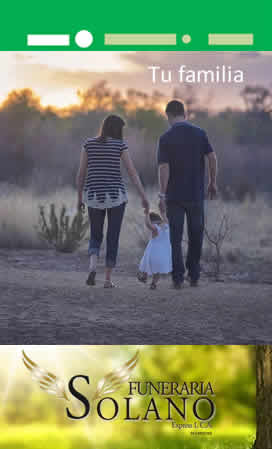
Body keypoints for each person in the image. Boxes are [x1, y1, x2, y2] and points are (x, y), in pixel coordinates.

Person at [77, 114, 149, 288]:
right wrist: (143, 196)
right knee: (113, 236)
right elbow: (132, 173)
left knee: (95, 234)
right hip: (116, 197)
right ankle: (107, 280)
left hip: (93, 196)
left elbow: (81, 174)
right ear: (117, 129)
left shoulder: (89, 144)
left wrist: (79, 198)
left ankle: (93, 267)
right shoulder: (120, 145)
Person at [158, 100, 218, 289]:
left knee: (174, 238)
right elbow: (212, 157)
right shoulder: (200, 133)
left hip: (174, 196)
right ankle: (194, 275)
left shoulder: (166, 137)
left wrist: (162, 194)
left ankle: (177, 278)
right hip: (195, 194)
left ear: (168, 115)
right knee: (196, 235)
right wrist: (212, 181)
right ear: (184, 114)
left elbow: (163, 167)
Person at [138, 211, 172, 290]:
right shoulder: (167, 226)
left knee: (146, 264)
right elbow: (165, 217)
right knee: (157, 271)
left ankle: (144, 277)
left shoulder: (155, 228)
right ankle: (153, 283)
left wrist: (146, 215)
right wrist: (163, 210)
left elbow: (148, 225)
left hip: (153, 253)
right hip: (164, 254)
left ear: (152, 221)